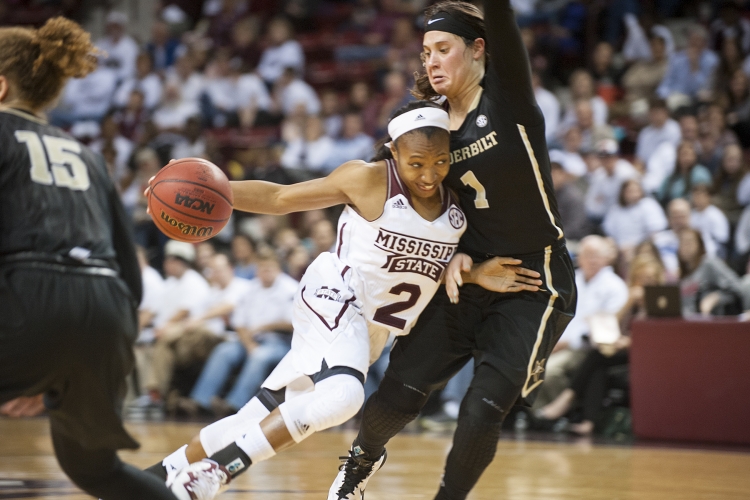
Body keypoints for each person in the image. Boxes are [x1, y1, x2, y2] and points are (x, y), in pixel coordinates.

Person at [144, 101, 543, 499]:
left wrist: (474, 272)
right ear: (393, 151)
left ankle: (152, 479)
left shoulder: (456, 212)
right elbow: (281, 198)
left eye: (439, 162)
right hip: (334, 294)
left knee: (259, 416)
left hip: (370, 330)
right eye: (417, 162)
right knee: (346, 396)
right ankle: (216, 472)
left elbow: (422, 270)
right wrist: (205, 189)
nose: (428, 174)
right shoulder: (370, 180)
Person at [330, 2, 578, 499]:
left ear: (479, 50)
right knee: (399, 393)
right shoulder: (427, 125)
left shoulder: (508, 99)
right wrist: (460, 260)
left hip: (534, 280)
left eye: (443, 50)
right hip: (468, 277)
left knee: (483, 407)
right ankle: (360, 462)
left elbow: (502, 17)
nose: (432, 62)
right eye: (425, 53)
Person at [0, 17, 178, 500]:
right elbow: (129, 270)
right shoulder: (87, 155)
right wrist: (52, 360)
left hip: (28, 297)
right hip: (106, 313)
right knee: (97, 473)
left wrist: (29, 344)